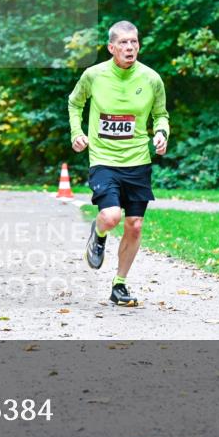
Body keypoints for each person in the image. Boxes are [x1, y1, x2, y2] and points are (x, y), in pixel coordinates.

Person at [67, 21, 169, 306]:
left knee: (134, 225)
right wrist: (77, 133)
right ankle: (98, 235)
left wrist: (161, 133)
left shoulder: (151, 79)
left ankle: (119, 284)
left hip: (138, 160)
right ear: (111, 47)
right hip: (104, 159)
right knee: (111, 216)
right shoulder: (94, 75)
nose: (130, 47)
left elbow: (161, 115)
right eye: (123, 43)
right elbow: (75, 104)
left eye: (134, 42)